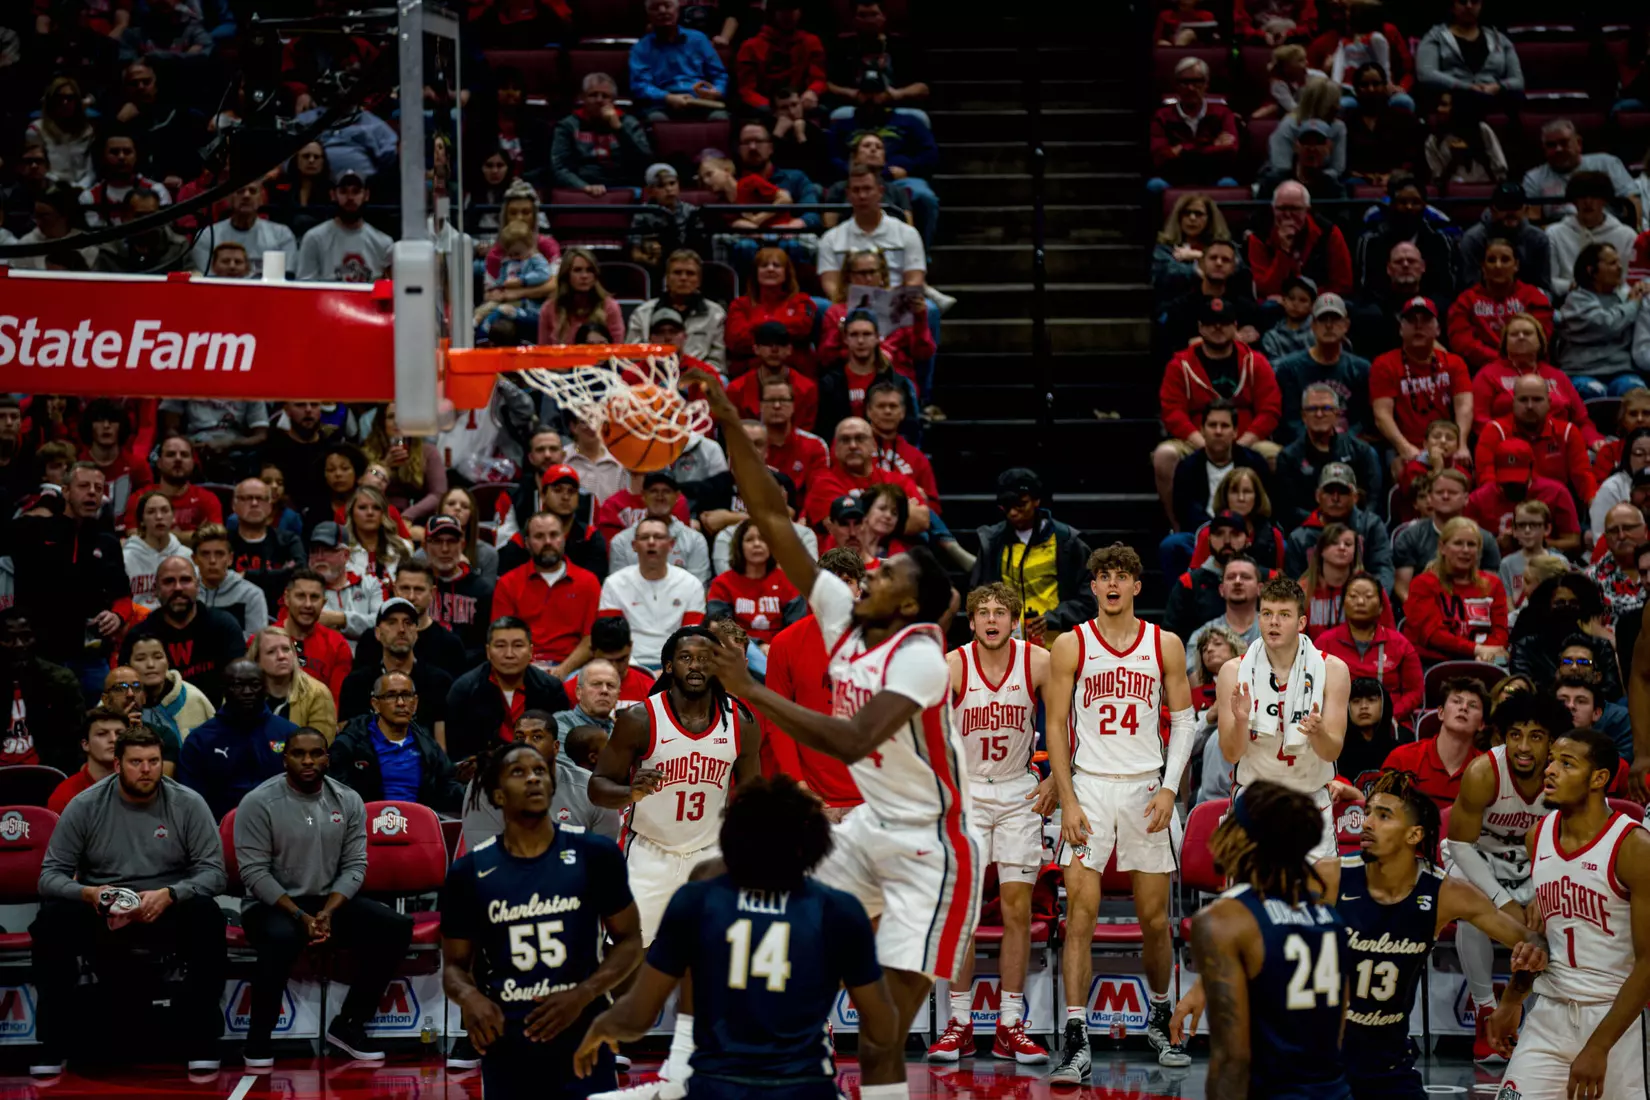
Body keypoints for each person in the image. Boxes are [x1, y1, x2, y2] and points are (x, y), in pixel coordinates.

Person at [692, 368, 976, 1087]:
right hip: (865, 826)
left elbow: (853, 741)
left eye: (887, 576)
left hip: (929, 849)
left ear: (912, 604)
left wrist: (749, 688)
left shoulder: (920, 656)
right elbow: (775, 519)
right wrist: (731, 421)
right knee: (740, 885)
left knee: (883, 1036)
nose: (870, 574)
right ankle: (698, 1060)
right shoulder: (843, 621)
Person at [1173, 768, 1549, 1099]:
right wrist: (1201, 988)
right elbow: (1255, 916)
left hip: (1389, 1066)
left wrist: (1511, 1001)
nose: (1366, 823)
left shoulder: (1446, 893)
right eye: (1367, 812)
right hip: (1326, 1064)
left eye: (1383, 816)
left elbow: (1532, 945)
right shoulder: (1333, 875)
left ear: (1415, 834)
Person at [577, 771, 900, 1097]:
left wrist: (602, 1025)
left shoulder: (698, 899)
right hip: (804, 1086)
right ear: (814, 841)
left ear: (733, 835)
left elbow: (636, 1018)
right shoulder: (839, 909)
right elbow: (883, 1026)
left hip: (717, 1086)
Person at [1042, 543, 1196, 1081]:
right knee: (1079, 914)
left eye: (1121, 576)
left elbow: (1184, 720)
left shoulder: (1166, 644)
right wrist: (1067, 798)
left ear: (1137, 586)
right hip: (1090, 789)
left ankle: (1157, 1014)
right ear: (1093, 586)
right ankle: (1077, 1034)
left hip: (1145, 790)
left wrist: (1171, 789)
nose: (1111, 584)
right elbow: (1055, 728)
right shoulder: (1070, 645)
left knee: (1155, 919)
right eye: (1102, 576)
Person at [587, 626, 762, 1085]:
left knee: (720, 951)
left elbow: (754, 793)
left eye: (706, 657)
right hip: (652, 848)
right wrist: (629, 790)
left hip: (710, 851)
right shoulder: (640, 719)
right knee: (629, 948)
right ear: (669, 666)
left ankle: (713, 1041)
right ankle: (616, 1038)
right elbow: (597, 785)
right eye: (686, 657)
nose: (697, 665)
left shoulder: (740, 721)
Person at [440, 740, 644, 1099]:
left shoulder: (595, 854)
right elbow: (455, 967)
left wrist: (584, 994)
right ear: (498, 796)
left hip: (583, 1027)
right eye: (518, 772)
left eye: (540, 771)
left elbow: (629, 942)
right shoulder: (468, 872)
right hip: (508, 1035)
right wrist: (470, 998)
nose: (534, 779)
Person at [30, 726, 227, 1076]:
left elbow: (214, 874)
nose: (147, 769)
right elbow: (50, 877)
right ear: (118, 765)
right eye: (137, 762)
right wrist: (89, 894)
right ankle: (52, 1041)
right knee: (51, 921)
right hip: (104, 908)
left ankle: (202, 1039)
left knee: (207, 915)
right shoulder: (86, 805)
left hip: (165, 907)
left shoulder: (188, 803)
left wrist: (171, 894)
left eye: (154, 761)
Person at [1482, 729, 1650, 1098]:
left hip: (1614, 1020)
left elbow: (1648, 962)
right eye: (1552, 760)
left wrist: (1599, 1046)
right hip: (1550, 1011)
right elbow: (1549, 936)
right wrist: (1513, 997)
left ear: (1599, 778)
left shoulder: (1634, 848)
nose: (1550, 770)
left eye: (1567, 763)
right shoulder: (1537, 836)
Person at [927, 583, 1052, 1065]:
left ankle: (1009, 1023)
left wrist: (1056, 781)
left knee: (1018, 910)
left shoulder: (1037, 662)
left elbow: (1066, 719)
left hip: (1020, 790)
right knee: (964, 912)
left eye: (1002, 612)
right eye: (984, 613)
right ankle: (960, 1022)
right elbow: (928, 735)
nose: (993, 620)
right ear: (972, 622)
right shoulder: (953, 666)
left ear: (1015, 620)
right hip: (969, 794)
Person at [235, 728, 412, 1065]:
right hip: (271, 905)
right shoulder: (258, 802)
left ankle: (348, 1025)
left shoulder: (348, 800)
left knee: (396, 926)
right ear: (284, 757)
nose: (308, 761)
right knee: (282, 937)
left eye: (316, 753)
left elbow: (356, 865)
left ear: (327, 757)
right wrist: (301, 917)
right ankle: (258, 1039)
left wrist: (328, 912)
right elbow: (254, 874)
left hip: (328, 903)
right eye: (299, 754)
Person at [1181, 781, 1350, 1099]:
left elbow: (1233, 1059)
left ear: (1247, 838)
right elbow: (1338, 1034)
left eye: (1233, 818)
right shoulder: (1331, 919)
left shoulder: (1224, 920)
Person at [1215, 576, 1352, 897]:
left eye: (1284, 614)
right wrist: (1240, 720)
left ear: (1302, 622)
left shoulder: (1333, 670)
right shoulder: (1233, 672)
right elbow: (1231, 754)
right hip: (1255, 799)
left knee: (1320, 906)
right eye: (1267, 613)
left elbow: (1332, 751)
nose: (1273, 622)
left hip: (1309, 800)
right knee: (1250, 910)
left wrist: (1317, 733)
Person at [1446, 690, 1562, 1062]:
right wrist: (1504, 901)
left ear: (1552, 742)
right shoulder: (1484, 772)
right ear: (1502, 737)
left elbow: (1581, 845)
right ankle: (1484, 1010)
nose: (1524, 747)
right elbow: (1460, 844)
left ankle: (1549, 1015)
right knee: (1471, 913)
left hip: (1538, 865)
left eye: (1536, 736)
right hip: (1479, 857)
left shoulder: (1566, 775)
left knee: (1565, 911)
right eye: (1515, 735)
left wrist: (1545, 896)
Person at [1154, 296, 1284, 515]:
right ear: (1200, 327)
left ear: (1235, 326)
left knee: (1279, 457)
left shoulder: (1255, 362)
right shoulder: (1180, 365)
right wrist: (1203, 443)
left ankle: (1269, 526)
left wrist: (1241, 445)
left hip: (1246, 440)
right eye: (1210, 323)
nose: (1217, 328)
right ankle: (1178, 528)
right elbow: (1172, 412)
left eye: (1224, 323)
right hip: (1196, 440)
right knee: (1164, 455)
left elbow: (1270, 409)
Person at [967, 467, 1097, 643]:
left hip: (1057, 646)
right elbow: (977, 597)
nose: (1013, 512)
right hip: (1006, 648)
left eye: (1020, 505)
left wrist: (1054, 618)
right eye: (1006, 507)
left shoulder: (1067, 542)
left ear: (1036, 501)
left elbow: (1089, 600)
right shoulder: (992, 543)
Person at [445, 617, 573, 768]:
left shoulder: (551, 689)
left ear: (531, 651)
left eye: (518, 645)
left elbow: (560, 744)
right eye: (500, 646)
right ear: (488, 651)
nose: (509, 654)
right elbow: (457, 752)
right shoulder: (465, 690)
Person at [175, 660, 297, 819]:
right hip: (219, 830)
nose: (247, 692)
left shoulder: (289, 734)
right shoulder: (200, 740)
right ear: (224, 690)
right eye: (238, 686)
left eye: (254, 685)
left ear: (266, 688)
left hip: (283, 825)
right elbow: (190, 800)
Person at [330, 670, 463, 814]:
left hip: (418, 827)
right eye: (391, 696)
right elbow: (335, 792)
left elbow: (447, 787)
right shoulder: (350, 744)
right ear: (376, 704)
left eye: (406, 695)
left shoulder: (427, 745)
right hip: (366, 826)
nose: (401, 703)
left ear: (415, 703)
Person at [122, 556, 251, 704]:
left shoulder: (224, 627)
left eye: (185, 580)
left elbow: (240, 687)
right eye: (169, 581)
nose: (178, 587)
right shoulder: (137, 636)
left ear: (197, 585)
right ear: (156, 589)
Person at [492, 512, 602, 679]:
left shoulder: (589, 582)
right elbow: (502, 638)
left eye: (554, 535)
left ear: (563, 539)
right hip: (521, 668)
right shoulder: (508, 583)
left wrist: (562, 671)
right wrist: (531, 673)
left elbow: (590, 640)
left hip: (573, 670)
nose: (548, 542)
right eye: (539, 536)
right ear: (527, 543)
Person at [1370, 296, 1474, 471]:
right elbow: (1382, 414)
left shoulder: (1454, 363)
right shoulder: (1384, 364)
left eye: (1425, 320)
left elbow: (1465, 406)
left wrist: (1461, 444)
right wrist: (1404, 447)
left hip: (1447, 446)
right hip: (1403, 447)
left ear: (1438, 329)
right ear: (1401, 329)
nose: (1418, 326)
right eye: (1411, 321)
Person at [339, 600, 451, 741]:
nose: (401, 629)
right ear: (378, 633)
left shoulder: (439, 682)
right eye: (392, 622)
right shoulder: (356, 684)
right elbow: (347, 743)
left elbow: (442, 749)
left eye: (408, 622)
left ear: (416, 633)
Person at [1402, 518, 1510, 664]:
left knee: (1508, 662)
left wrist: (1486, 655)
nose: (1465, 550)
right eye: (1458, 543)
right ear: (1442, 547)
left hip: (1485, 660)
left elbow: (1500, 633)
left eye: (1471, 544)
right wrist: (1476, 650)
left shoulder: (1493, 584)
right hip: (1433, 662)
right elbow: (1433, 635)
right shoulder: (1422, 584)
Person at [1274, 385, 1382, 527]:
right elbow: (1288, 509)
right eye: (1312, 409)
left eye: (1325, 408)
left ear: (1337, 414)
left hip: (1356, 528)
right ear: (1303, 416)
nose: (1319, 414)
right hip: (1309, 532)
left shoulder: (1361, 451)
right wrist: (1324, 524)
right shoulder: (1288, 458)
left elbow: (1373, 499)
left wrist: (1356, 524)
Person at [815, 166, 926, 302]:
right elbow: (830, 284)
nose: (862, 196)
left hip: (897, 303)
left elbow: (914, 279)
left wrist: (886, 302)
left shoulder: (907, 233)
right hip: (848, 304)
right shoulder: (830, 238)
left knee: (930, 308)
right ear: (848, 195)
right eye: (856, 190)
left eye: (867, 189)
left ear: (880, 192)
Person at [1272, 295, 1372, 444]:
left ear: (1346, 325)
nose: (1329, 325)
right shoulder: (1289, 368)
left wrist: (1340, 442)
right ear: (1312, 325)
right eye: (1323, 319)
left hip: (1348, 445)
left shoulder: (1361, 369)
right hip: (1302, 446)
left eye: (1335, 319)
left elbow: (1361, 421)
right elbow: (1290, 421)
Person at [1448, 239, 1555, 373]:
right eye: (1491, 260)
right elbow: (1462, 343)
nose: (1498, 266)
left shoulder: (1533, 297)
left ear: (1516, 265)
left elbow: (1541, 338)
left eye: (1505, 260)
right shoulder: (1466, 301)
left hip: (1530, 370)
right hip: (1482, 372)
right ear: (1483, 266)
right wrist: (1501, 361)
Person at [1284, 463, 1395, 591]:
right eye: (1329, 491)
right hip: (1315, 605)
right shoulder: (1300, 538)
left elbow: (1383, 570)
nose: (1335, 498)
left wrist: (1372, 598)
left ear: (1355, 497)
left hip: (1363, 602)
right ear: (1318, 496)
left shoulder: (1371, 526)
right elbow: (1293, 588)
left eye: (1343, 492)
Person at [1555, 242, 1646, 397]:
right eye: (1612, 263)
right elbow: (1606, 324)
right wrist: (1633, 305)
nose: (1620, 267)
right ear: (1592, 271)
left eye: (1619, 262)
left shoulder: (1626, 297)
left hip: (1621, 370)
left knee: (1636, 391)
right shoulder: (1576, 300)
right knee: (1592, 392)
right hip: (1582, 372)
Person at [1246, 181, 1355, 300]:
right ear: (1273, 209)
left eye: (1295, 209)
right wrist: (1283, 252)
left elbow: (1343, 284)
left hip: (1318, 301)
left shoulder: (1329, 233)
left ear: (1307, 210)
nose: (1288, 214)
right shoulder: (1259, 236)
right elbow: (1263, 289)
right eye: (1281, 208)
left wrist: (1305, 299)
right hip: (1277, 302)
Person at [1520, 119, 1638, 226]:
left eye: (1564, 142)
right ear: (1544, 149)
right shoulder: (1533, 178)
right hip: (1561, 236)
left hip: (1608, 229)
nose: (1558, 149)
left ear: (1579, 143)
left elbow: (1633, 201)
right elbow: (1532, 219)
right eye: (1551, 145)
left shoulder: (1607, 163)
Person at [550, 73, 652, 196]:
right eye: (593, 95)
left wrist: (619, 129)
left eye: (605, 96)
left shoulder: (629, 123)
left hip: (625, 187)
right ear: (583, 98)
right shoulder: (568, 126)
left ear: (613, 100)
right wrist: (584, 187)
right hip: (582, 187)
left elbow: (644, 162)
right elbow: (560, 168)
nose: (599, 100)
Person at [1147, 57, 1241, 190]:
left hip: (1213, 176)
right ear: (1176, 86)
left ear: (1206, 84)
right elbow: (1160, 157)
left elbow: (1230, 151)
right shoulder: (1162, 116)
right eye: (1185, 82)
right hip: (1174, 178)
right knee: (1155, 185)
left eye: (1197, 82)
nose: (1191, 88)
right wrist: (1210, 144)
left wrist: (1182, 150)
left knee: (1228, 184)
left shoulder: (1223, 113)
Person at [629, 0, 729, 122]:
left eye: (667, 6)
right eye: (655, 8)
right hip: (663, 104)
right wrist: (667, 97)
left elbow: (719, 74)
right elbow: (640, 85)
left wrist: (717, 90)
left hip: (701, 100)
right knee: (656, 119)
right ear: (648, 15)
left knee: (720, 118)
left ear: (677, 10)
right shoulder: (640, 48)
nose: (662, 11)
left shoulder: (699, 39)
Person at [1415, 0, 1525, 111]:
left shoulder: (1500, 39)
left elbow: (1518, 80)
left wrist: (1498, 87)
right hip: (1456, 95)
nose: (1469, 6)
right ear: (1452, 6)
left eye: (1474, 1)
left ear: (1481, 5)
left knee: (1517, 97)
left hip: (1492, 94)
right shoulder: (1435, 37)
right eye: (1463, 1)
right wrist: (1467, 87)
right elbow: (1426, 74)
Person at [1547, 172, 1640, 302]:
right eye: (1582, 197)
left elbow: (1632, 281)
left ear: (1604, 200)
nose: (1588, 202)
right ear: (1574, 201)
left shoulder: (1627, 235)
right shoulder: (1554, 233)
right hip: (1569, 301)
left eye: (1594, 197)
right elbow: (1549, 280)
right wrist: (1572, 286)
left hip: (1618, 302)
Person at [294, 171, 392, 283]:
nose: (350, 197)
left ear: (366, 195)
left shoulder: (384, 243)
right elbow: (306, 287)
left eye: (356, 191)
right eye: (343, 191)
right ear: (333, 195)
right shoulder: (314, 238)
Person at [229, 477, 307, 609]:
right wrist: (279, 575)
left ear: (270, 505)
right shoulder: (223, 542)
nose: (254, 503)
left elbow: (299, 574)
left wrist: (246, 575)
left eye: (260, 498)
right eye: (247, 498)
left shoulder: (288, 541)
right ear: (234, 505)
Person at [191, 181, 295, 278]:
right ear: (229, 198)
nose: (246, 196)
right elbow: (206, 279)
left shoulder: (282, 234)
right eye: (240, 191)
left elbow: (287, 277)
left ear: (261, 198)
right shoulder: (207, 235)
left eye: (253, 191)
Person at [249, 627, 337, 741]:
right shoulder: (242, 693)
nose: (281, 656)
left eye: (286, 649)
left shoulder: (318, 694)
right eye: (271, 651)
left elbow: (319, 749)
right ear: (257, 661)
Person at [1152, 192, 1233, 301]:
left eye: (1198, 214)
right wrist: (1196, 271)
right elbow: (1164, 277)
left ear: (1209, 218)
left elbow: (1238, 271)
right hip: (1176, 307)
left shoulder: (1224, 245)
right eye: (1187, 213)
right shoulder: (1166, 248)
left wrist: (1199, 256)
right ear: (1179, 217)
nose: (1192, 218)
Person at [48, 708, 126, 814]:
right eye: (102, 734)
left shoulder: (141, 785)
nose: (113, 739)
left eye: (119, 734)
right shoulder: (66, 795)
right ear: (85, 744)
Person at [1587, 503, 1649, 634]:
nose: (1621, 536)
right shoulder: (1591, 578)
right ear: (1606, 537)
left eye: (1628, 528)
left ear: (1645, 530)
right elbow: (1588, 625)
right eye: (1614, 531)